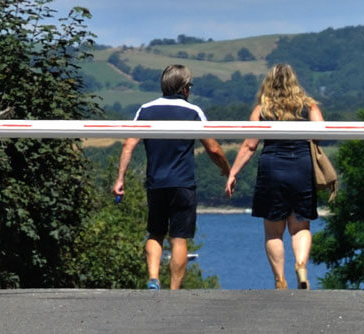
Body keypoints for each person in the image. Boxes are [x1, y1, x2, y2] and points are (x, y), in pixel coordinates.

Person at [112, 64, 229, 290]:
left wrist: (120, 179)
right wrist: (226, 168)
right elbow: (213, 148)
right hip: (183, 183)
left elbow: (129, 145)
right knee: (179, 238)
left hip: (156, 183)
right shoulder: (193, 112)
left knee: (155, 232)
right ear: (185, 88)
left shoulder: (145, 109)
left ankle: (153, 278)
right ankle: (174, 290)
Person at [225, 63, 323, 289]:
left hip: (272, 167)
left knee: (273, 232)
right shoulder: (309, 107)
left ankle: (280, 279)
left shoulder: (262, 110)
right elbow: (319, 136)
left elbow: (250, 145)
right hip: (301, 166)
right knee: (300, 227)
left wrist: (233, 173)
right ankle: (300, 265)